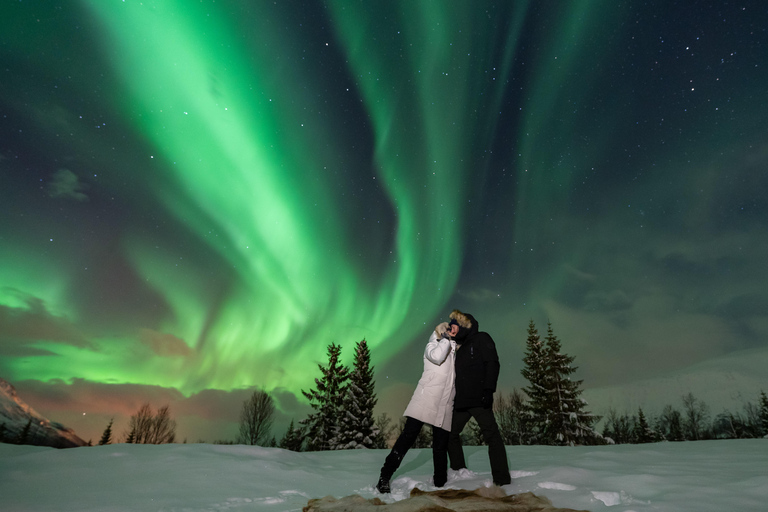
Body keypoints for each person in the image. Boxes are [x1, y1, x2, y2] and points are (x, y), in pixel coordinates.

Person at [375, 319, 460, 493]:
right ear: (444, 329)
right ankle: (384, 477)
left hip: (443, 405)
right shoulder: (432, 345)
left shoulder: (452, 350)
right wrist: (444, 339)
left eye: (456, 329)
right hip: (425, 400)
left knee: (440, 446)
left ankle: (440, 483)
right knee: (407, 439)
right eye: (451, 328)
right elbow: (437, 358)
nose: (453, 331)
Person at [446, 309, 511, 487]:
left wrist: (488, 390)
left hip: (479, 399)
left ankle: (502, 479)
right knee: (450, 434)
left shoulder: (482, 338)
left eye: (455, 325)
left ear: (464, 325)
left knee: (491, 435)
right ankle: (460, 472)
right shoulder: (458, 348)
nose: (453, 328)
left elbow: (492, 363)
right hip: (461, 402)